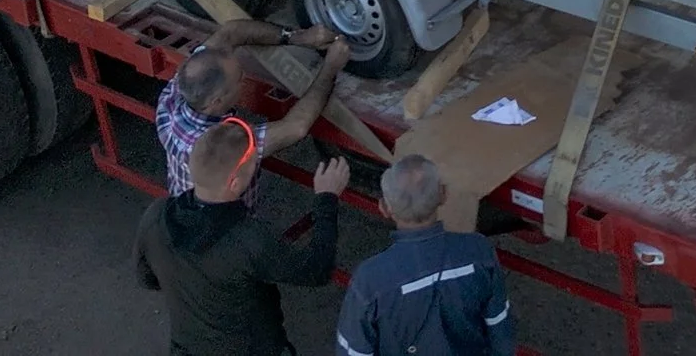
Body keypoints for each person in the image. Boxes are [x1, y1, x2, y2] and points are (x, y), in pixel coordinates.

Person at [136, 116, 353, 356]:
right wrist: (326, 198)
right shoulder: (250, 240)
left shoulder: (155, 217)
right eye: (253, 162)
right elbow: (317, 270)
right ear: (235, 182)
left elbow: (147, 279)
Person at [335, 155, 515, 356]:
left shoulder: (370, 280)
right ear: (443, 195)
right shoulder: (478, 251)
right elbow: (500, 331)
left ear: (384, 208)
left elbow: (353, 351)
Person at [157, 19, 352, 198]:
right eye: (239, 79)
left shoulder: (175, 95)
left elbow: (230, 33)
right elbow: (296, 127)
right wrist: (330, 68)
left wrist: (299, 37)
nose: (245, 78)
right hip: (221, 228)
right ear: (217, 101)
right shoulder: (214, 148)